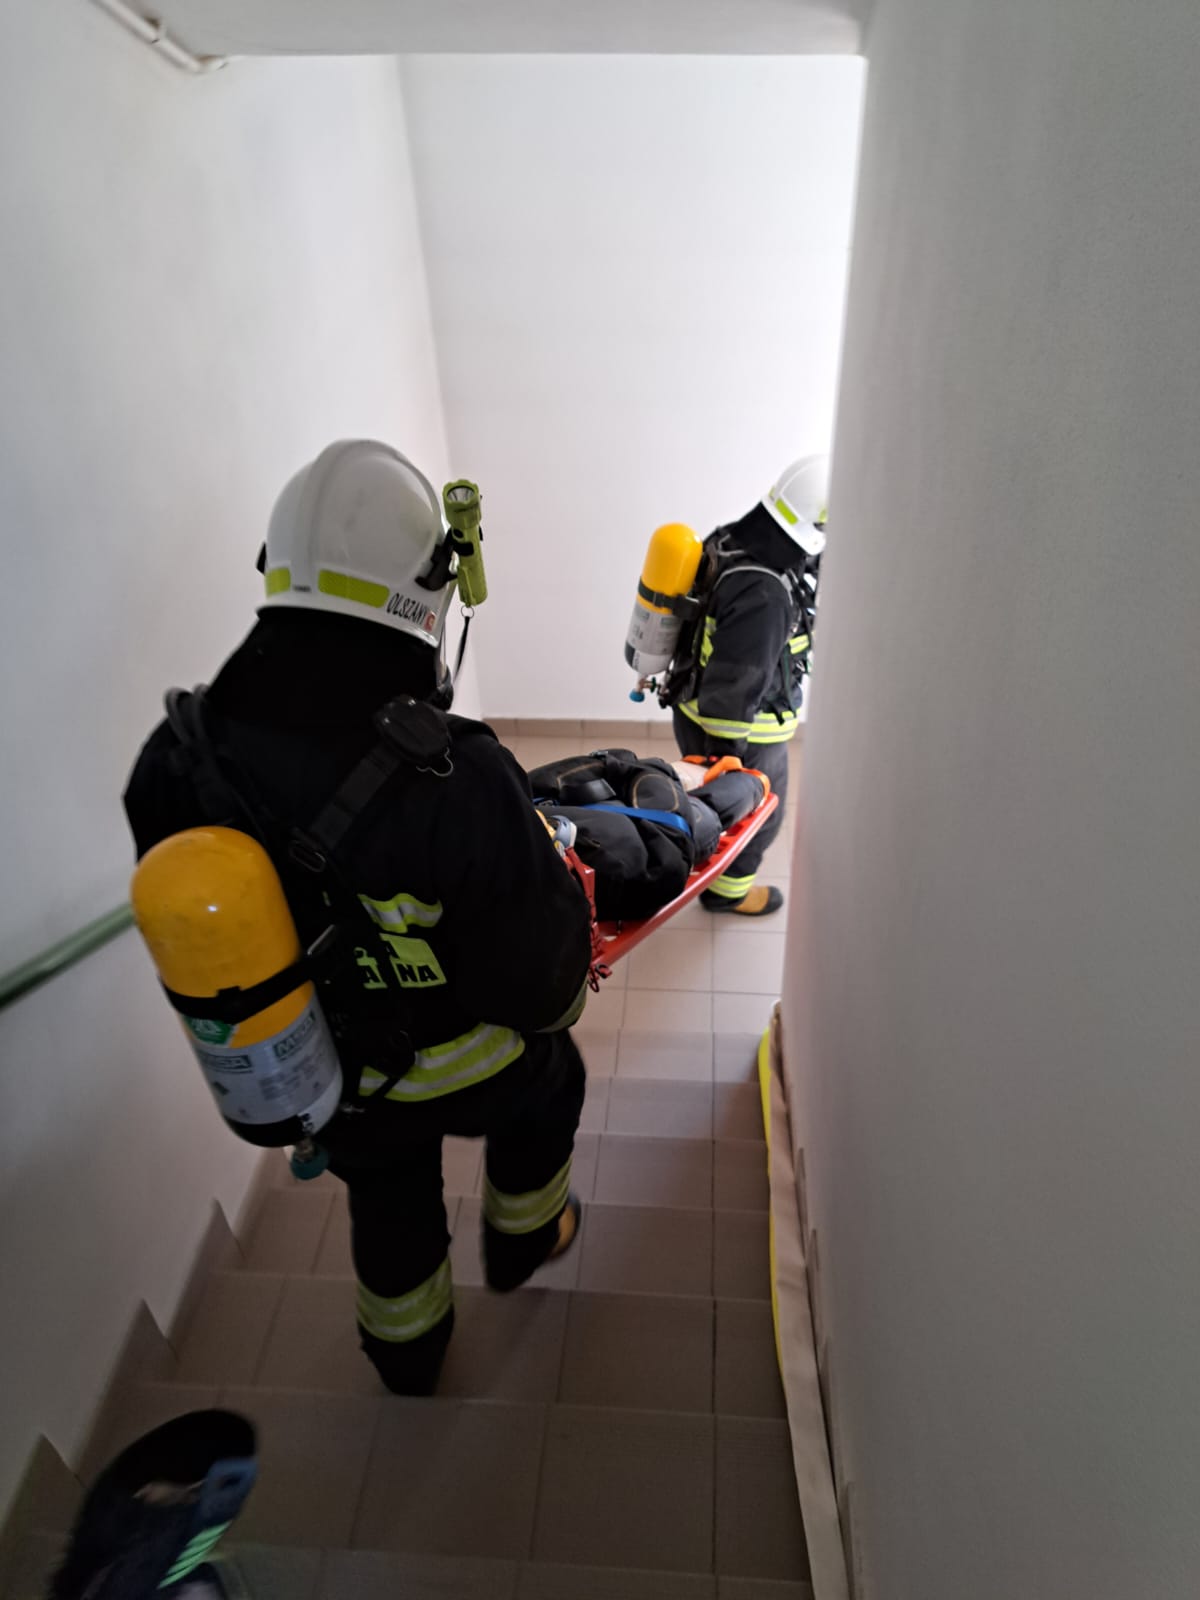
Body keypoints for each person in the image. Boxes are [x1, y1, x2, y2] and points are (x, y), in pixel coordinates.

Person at [124, 440, 593, 1396]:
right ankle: (525, 1237)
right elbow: (543, 990)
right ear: (427, 590)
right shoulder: (459, 775)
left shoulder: (174, 762)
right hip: (475, 1065)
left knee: (387, 1197)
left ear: (278, 570)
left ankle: (408, 1358)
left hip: (330, 1077)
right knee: (555, 1080)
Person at [671, 455, 829, 916]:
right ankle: (727, 894)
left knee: (708, 803)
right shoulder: (766, 594)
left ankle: (701, 864)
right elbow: (738, 681)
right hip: (743, 734)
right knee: (756, 818)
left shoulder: (734, 538)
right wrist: (728, 756)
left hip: (692, 706)